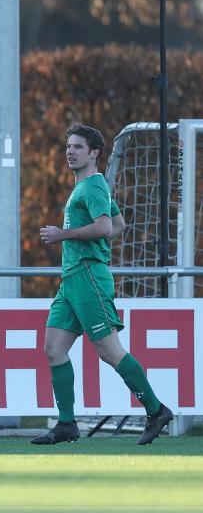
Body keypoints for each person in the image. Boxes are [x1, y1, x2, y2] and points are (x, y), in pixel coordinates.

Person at [33, 124, 173, 446]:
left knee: (109, 350)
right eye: (68, 146)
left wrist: (63, 235)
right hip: (70, 281)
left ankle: (156, 410)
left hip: (88, 277)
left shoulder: (93, 185)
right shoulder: (86, 187)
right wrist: (92, 233)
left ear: (94, 152)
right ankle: (66, 425)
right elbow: (118, 224)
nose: (70, 151)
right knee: (54, 350)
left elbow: (105, 226)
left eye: (78, 147)